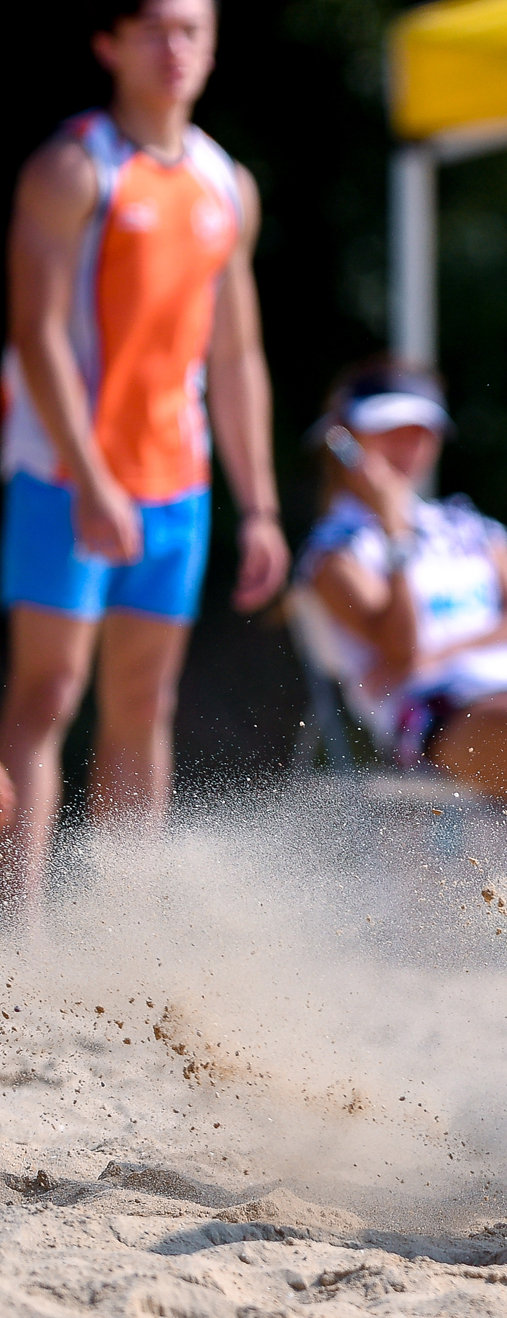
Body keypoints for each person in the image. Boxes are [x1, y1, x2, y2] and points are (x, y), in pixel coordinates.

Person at [0, 0, 287, 906]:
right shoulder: (72, 168)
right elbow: (36, 336)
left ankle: (121, 937)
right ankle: (21, 926)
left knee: (144, 708)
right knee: (46, 695)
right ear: (109, 43)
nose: (176, 49)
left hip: (177, 484)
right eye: (157, 28)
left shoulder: (222, 182)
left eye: (194, 29)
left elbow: (236, 354)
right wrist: (90, 480)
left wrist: (263, 506)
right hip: (63, 473)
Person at [296, 362, 507, 805]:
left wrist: (441, 651)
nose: (410, 445)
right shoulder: (333, 553)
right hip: (442, 720)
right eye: (391, 428)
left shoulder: (461, 520)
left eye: (422, 431)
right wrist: (395, 533)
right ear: (344, 440)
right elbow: (401, 650)